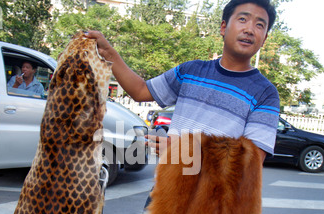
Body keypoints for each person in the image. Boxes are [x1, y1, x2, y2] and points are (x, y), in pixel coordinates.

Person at [86, 0, 279, 164]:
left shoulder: (265, 93)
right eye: (242, 19)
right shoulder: (191, 71)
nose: (249, 30)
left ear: (264, 39)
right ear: (223, 27)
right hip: (165, 194)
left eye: (259, 25)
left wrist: (182, 151)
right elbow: (141, 90)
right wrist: (109, 54)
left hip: (215, 204)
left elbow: (252, 161)